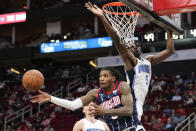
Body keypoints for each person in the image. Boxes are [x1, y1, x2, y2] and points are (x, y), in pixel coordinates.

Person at [85, 0, 174, 125]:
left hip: (138, 101)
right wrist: (102, 17)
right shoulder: (131, 61)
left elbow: (170, 50)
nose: (135, 46)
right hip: (132, 101)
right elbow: (116, 39)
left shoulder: (148, 60)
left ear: (141, 48)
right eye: (132, 46)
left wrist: (168, 29)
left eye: (137, 45)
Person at [31, 67, 139, 131]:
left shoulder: (122, 86)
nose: (101, 78)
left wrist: (105, 111)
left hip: (131, 128)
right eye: (100, 76)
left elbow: (129, 111)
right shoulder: (95, 93)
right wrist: (50, 98)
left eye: (105, 76)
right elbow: (73, 105)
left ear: (113, 78)